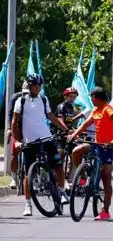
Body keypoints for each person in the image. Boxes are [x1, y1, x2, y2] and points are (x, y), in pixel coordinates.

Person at [11, 74, 72, 217]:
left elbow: (51, 117)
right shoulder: (21, 101)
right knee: (28, 175)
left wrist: (66, 130)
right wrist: (18, 140)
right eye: (34, 85)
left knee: (58, 165)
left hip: (47, 139)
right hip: (29, 142)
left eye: (39, 86)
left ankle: (62, 193)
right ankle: (28, 205)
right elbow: (14, 123)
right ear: (30, 86)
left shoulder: (44, 99)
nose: (37, 88)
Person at [68, 87, 113, 221]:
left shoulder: (107, 109)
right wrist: (74, 134)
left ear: (97, 98)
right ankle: (82, 177)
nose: (91, 99)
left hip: (108, 147)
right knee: (76, 151)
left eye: (92, 97)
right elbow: (86, 124)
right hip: (97, 144)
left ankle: (105, 210)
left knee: (106, 177)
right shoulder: (95, 110)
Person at [5, 82, 29, 189]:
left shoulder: (37, 98)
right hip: (17, 126)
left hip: (29, 127)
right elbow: (10, 114)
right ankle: (14, 179)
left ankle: (32, 176)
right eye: (25, 93)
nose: (27, 95)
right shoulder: (15, 97)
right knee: (15, 153)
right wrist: (9, 129)